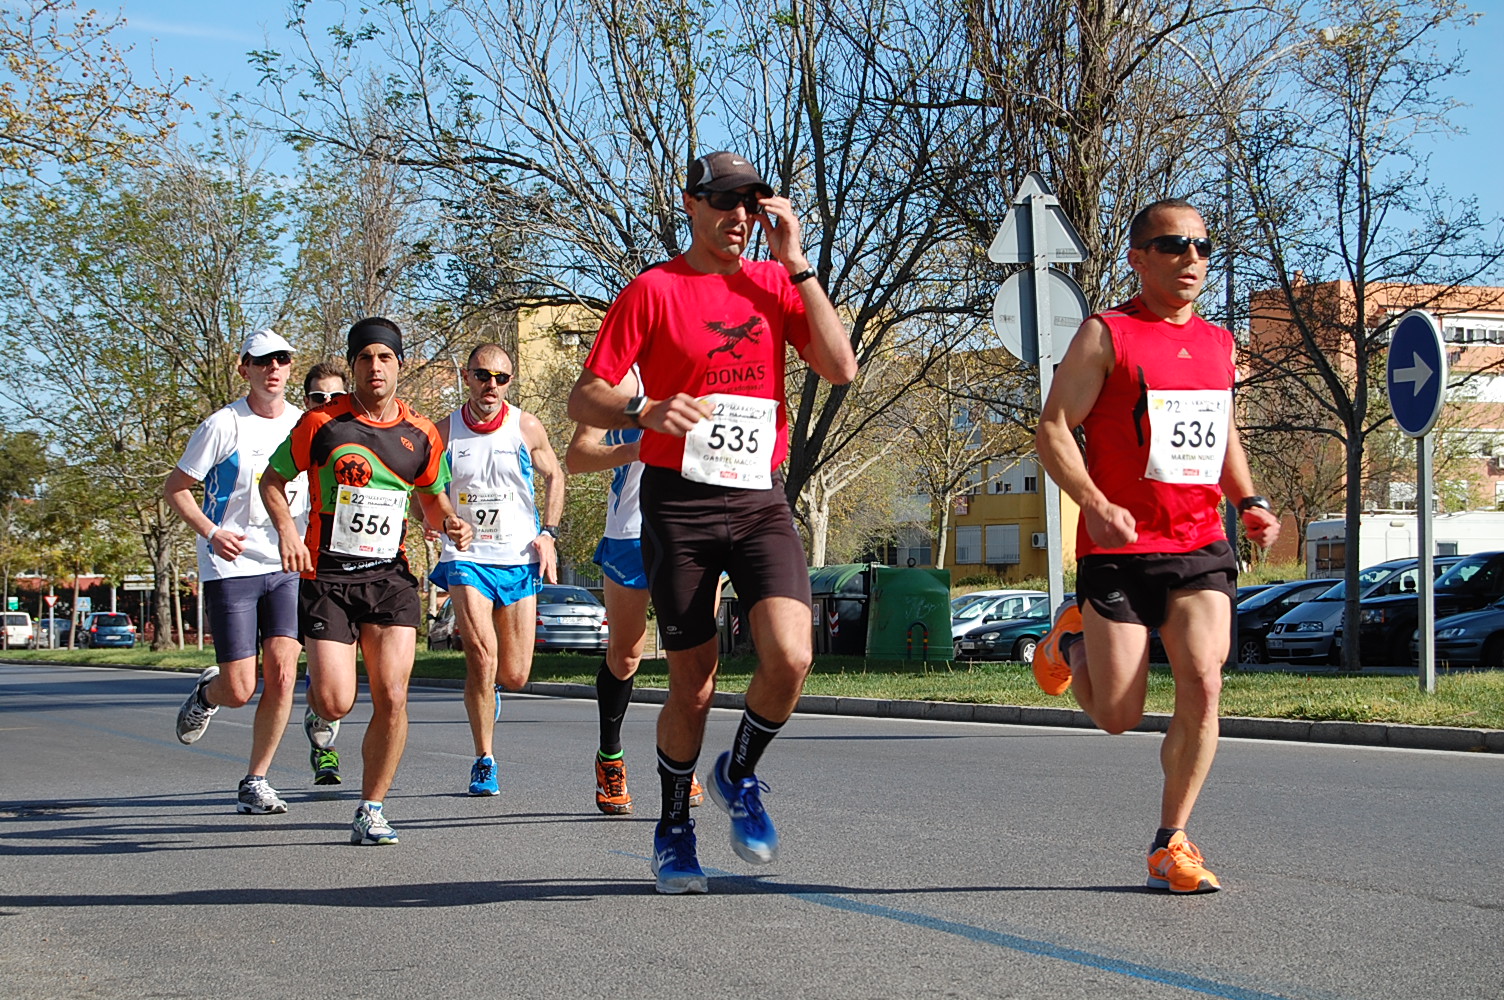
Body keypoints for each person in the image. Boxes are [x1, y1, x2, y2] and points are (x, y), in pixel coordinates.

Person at [567, 151, 857, 893]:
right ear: (691, 204)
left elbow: (840, 367)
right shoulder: (653, 290)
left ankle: (739, 771)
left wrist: (798, 265)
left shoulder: (772, 283)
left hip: (758, 500)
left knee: (791, 658)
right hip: (679, 501)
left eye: (751, 204)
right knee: (693, 681)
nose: (738, 217)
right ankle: (673, 828)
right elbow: (585, 399)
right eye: (724, 202)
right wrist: (644, 408)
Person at [1032, 198, 1280, 894]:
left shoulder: (1221, 344)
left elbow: (1221, 431)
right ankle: (1068, 644)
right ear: (1138, 258)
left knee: (1205, 679)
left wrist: (1248, 500)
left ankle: (1172, 839)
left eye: (1204, 246)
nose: (1192, 259)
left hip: (1199, 543)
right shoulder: (1105, 334)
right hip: (1118, 548)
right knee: (1118, 716)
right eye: (1174, 246)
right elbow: (1053, 429)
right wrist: (1096, 503)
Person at [260, 317, 473, 846]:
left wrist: (449, 519)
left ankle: (371, 807)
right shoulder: (322, 424)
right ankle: (321, 715)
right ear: (352, 365)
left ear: (399, 365)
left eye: (384, 357)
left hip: (389, 579)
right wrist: (287, 531)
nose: (374, 367)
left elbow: (432, 496)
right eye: (364, 358)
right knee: (334, 701)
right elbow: (272, 480)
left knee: (393, 696)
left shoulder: (421, 433)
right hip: (326, 576)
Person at [167, 329, 343, 812]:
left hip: (288, 564)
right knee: (241, 688)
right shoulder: (223, 425)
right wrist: (211, 532)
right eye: (263, 361)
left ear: (289, 369)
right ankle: (208, 692)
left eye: (282, 361)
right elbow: (177, 488)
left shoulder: (306, 425)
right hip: (233, 564)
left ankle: (256, 780)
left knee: (284, 674)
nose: (273, 370)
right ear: (245, 368)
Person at [564, 363, 704, 816]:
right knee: (626, 654)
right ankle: (610, 756)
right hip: (633, 529)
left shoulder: (722, 368)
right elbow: (579, 455)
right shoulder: (630, 379)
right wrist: (641, 447)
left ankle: (682, 756)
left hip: (697, 529)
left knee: (694, 655)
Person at [429, 343, 564, 797]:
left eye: (501, 378)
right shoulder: (444, 431)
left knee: (515, 675)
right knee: (481, 659)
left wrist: (549, 532)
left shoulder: (524, 425)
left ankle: (492, 693)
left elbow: (555, 475)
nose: (491, 385)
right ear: (467, 377)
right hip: (466, 558)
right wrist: (439, 520)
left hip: (518, 556)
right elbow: (421, 489)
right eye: (483, 375)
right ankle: (484, 758)